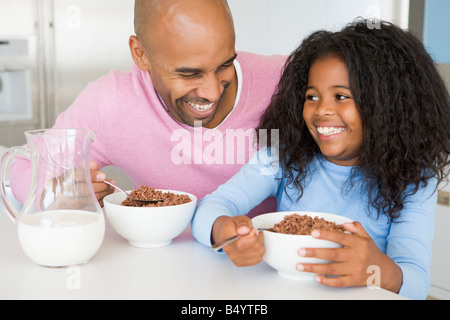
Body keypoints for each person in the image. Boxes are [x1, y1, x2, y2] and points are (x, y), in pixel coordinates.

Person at [191, 19, 450, 300]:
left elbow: (416, 284)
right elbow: (211, 207)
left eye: (341, 96)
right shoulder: (283, 155)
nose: (321, 110)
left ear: (387, 105)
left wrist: (376, 267)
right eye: (312, 96)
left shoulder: (413, 178)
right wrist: (226, 233)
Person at [9, 0, 285, 213]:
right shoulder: (113, 103)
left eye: (224, 65)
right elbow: (21, 163)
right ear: (140, 54)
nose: (212, 91)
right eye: (189, 73)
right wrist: (53, 195)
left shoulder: (288, 81)